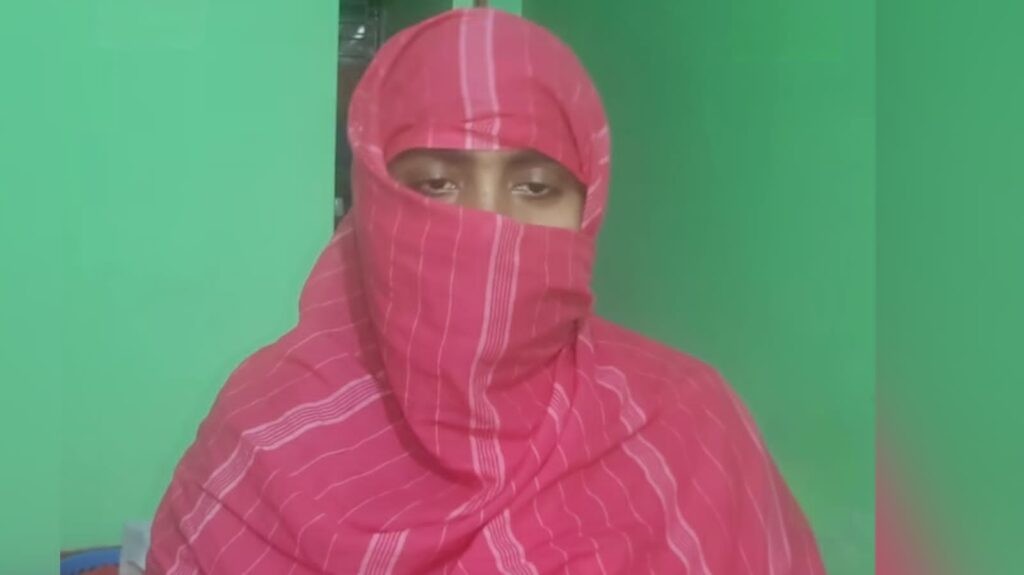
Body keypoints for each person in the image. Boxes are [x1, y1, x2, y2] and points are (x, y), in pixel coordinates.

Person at [147, 9, 824, 574]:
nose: (488, 227)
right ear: (374, 204)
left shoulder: (687, 430)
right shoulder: (262, 437)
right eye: (435, 184)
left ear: (588, 208)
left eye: (535, 187)